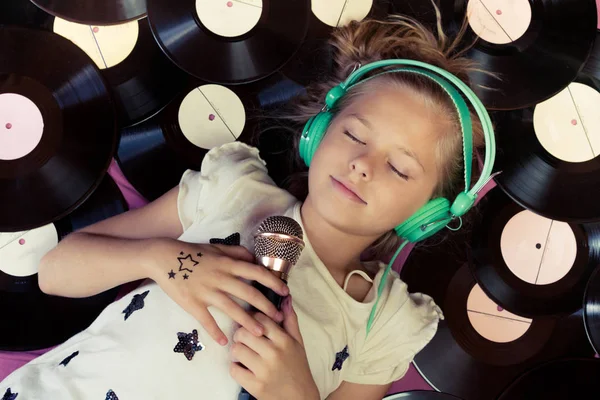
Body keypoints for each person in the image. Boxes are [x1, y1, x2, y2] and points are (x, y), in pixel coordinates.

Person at [0, 5, 495, 400]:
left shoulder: (387, 323)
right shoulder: (235, 188)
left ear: (429, 215)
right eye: (354, 134)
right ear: (317, 134)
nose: (363, 164)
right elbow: (55, 270)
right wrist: (164, 259)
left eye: (399, 167)